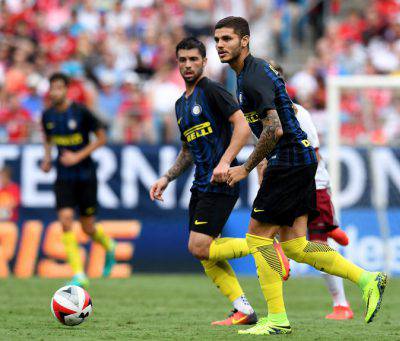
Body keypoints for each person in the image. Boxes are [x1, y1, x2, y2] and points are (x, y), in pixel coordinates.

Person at [214, 16, 387, 335]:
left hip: (288, 160)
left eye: (227, 39)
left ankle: (277, 319)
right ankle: (366, 279)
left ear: (245, 41)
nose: (220, 45)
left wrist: (246, 167)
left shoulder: (253, 77)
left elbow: (274, 128)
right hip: (301, 160)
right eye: (217, 40)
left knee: (257, 238)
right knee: (295, 246)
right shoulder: (248, 75)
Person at [149, 37, 258, 326]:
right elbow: (188, 149)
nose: (188, 65)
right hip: (200, 184)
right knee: (207, 254)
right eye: (183, 60)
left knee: (198, 247)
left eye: (193, 59)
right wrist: (167, 177)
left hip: (221, 180)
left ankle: (263, 247)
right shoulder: (180, 105)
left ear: (204, 62)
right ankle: (243, 310)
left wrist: (225, 161)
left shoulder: (212, 91)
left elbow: (243, 125)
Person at [267, 60, 354, 320]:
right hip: (292, 184)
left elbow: (314, 156)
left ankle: (341, 304)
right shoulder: (264, 113)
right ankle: (326, 229)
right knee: (275, 234)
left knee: (316, 244)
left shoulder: (298, 113)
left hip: (311, 185)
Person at [41, 72, 116, 288]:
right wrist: (47, 159)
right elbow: (47, 138)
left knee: (87, 227)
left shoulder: (81, 112)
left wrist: (78, 156)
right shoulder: (47, 116)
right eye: (52, 88)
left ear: (66, 89)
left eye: (59, 87)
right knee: (65, 220)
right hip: (63, 176)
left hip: (85, 175)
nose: (55, 92)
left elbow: (102, 138)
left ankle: (108, 244)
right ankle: (79, 273)